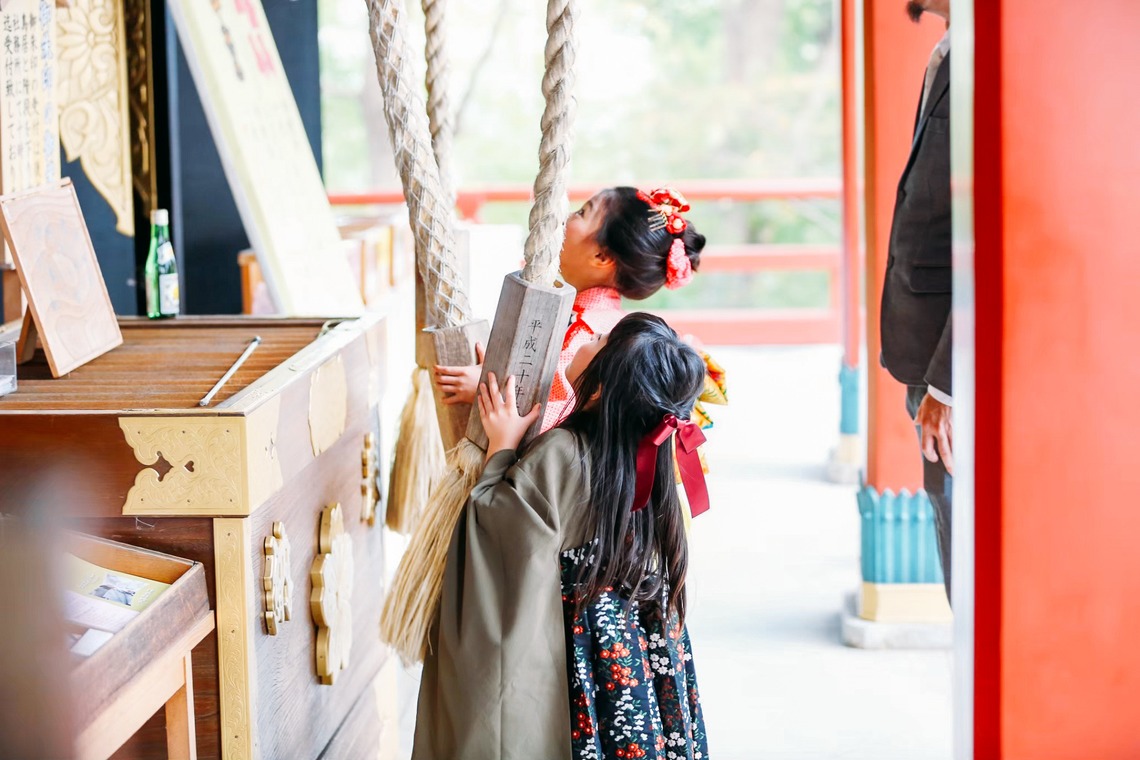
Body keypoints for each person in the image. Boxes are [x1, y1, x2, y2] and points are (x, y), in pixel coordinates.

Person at [413, 312, 711, 760]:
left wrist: (501, 450)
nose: (586, 338)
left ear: (604, 386)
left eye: (599, 338)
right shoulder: (645, 454)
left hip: (573, 643)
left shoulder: (563, 453)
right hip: (623, 646)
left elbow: (502, 533)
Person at [433, 186, 706, 431]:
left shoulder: (594, 335)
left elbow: (559, 421)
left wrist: (488, 392)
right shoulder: (574, 311)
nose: (565, 218)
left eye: (581, 212)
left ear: (601, 257)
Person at [880, 0, 953, 598]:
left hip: (954, 367)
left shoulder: (987, 57)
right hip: (926, 347)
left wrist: (949, 385)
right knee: (945, 508)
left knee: (959, 517)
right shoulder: (947, 52)